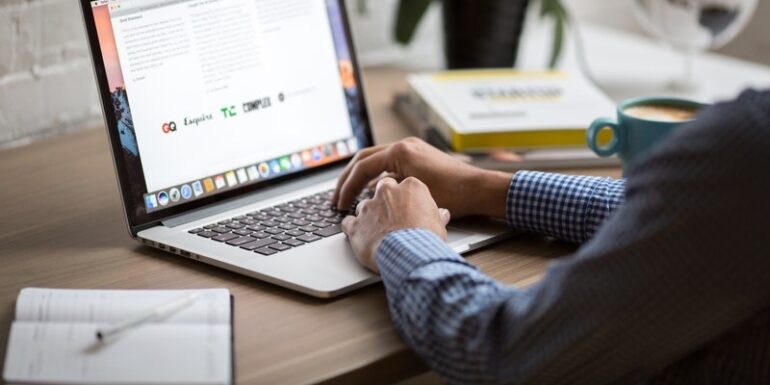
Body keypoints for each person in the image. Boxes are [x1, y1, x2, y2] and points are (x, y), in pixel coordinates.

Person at [333, 90, 770, 384]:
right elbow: (692, 217)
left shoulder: (747, 142)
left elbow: (506, 354)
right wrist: (485, 187)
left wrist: (404, 238)